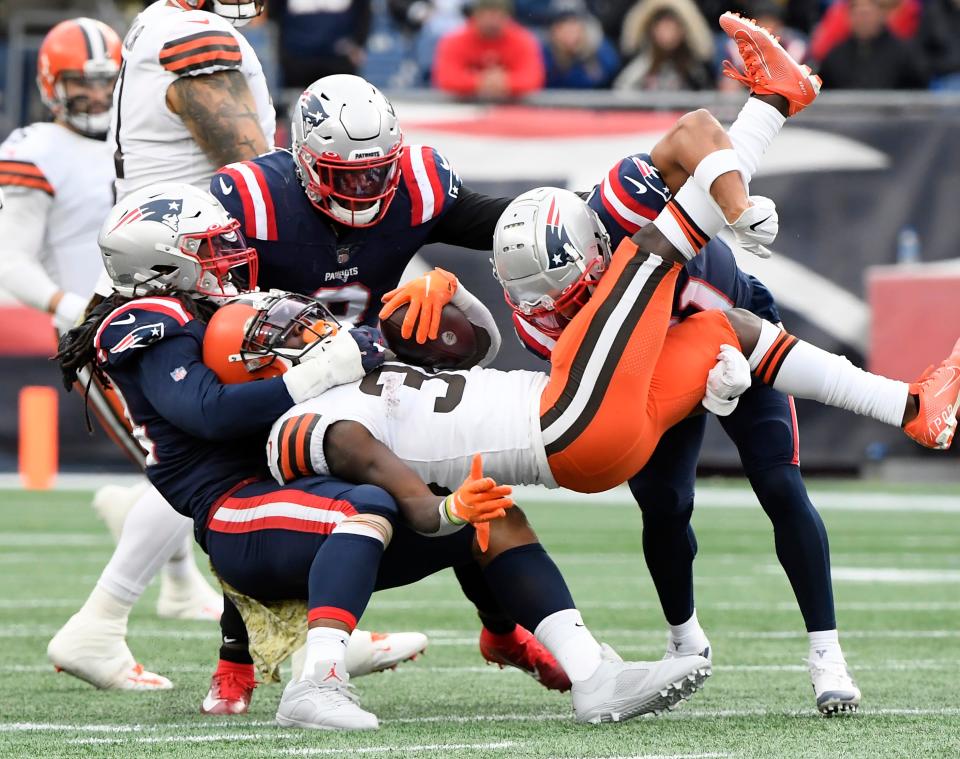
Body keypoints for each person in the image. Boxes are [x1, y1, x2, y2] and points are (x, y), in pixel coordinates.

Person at [60, 184, 712, 730]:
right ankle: (317, 682)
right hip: (237, 514)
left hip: (301, 486)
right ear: (156, 264)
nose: (231, 258)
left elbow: (309, 359)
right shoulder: (142, 320)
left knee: (486, 513)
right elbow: (209, 411)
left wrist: (389, 337)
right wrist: (316, 372)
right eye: (211, 249)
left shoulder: (214, 309)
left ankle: (592, 674)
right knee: (368, 504)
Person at [48, 0, 428, 714]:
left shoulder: (160, 25)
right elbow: (262, 169)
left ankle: (135, 622)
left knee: (231, 465)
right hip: (178, 277)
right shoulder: (193, 36)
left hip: (186, 274)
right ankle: (114, 621)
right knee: (222, 467)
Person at [210, 72, 572, 698]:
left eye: (379, 172)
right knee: (261, 492)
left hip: (373, 374)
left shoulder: (417, 184)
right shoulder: (251, 200)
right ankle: (235, 660)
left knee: (464, 485)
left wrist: (610, 209)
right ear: (303, 162)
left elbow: (509, 223)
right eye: (347, 176)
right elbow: (205, 294)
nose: (366, 187)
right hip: (283, 383)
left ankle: (504, 631)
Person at [431, 0, 545, 98]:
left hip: (513, 108)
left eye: (498, 16)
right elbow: (446, 77)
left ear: (508, 17)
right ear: (476, 15)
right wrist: (480, 81)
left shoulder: (523, 40)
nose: (493, 22)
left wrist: (505, 82)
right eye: (488, 15)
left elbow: (532, 78)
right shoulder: (454, 41)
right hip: (462, 108)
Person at [816, 0, 927, 89]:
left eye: (867, 14)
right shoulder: (835, 55)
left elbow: (918, 93)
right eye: (857, 14)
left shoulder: (905, 53)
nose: (863, 20)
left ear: (881, 14)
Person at [613, 0, 715, 91]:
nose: (668, 35)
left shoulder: (694, 70)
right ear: (653, 30)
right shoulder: (640, 67)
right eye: (663, 28)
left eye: (672, 28)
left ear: (682, 31)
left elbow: (705, 49)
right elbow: (622, 92)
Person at [270, 0, 371, 87]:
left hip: (340, 61)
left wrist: (357, 43)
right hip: (297, 62)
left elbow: (364, 14)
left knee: (342, 105)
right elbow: (272, 13)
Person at [540, 0, 621, 89]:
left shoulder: (600, 51)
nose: (568, 31)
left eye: (573, 24)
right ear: (554, 30)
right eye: (562, 26)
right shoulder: (544, 55)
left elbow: (610, 75)